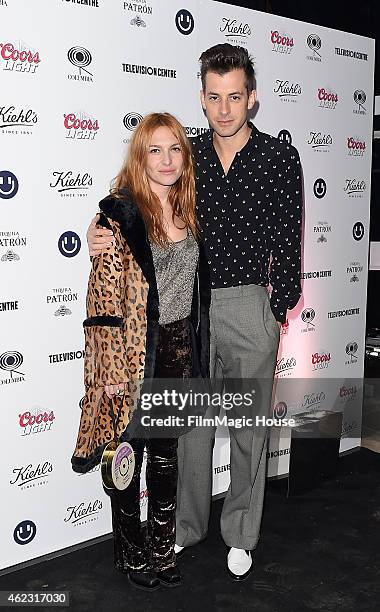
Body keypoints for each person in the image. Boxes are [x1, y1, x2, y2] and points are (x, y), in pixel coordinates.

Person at [87, 44, 303, 581]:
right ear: (202, 99)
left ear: (251, 98)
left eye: (235, 96)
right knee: (190, 428)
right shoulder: (190, 154)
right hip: (194, 309)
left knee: (249, 428)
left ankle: (240, 535)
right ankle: (184, 527)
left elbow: (289, 238)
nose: (224, 108)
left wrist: (275, 307)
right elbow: (140, 190)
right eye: (214, 97)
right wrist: (102, 226)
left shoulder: (279, 157)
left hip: (251, 304)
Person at [71, 112, 210, 591]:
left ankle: (161, 549)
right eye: (155, 149)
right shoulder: (118, 216)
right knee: (128, 455)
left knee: (167, 458)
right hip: (132, 356)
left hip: (177, 353)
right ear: (141, 156)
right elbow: (102, 302)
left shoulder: (191, 208)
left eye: (175, 148)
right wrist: (109, 369)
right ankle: (131, 552)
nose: (167, 159)